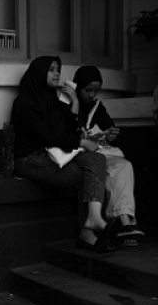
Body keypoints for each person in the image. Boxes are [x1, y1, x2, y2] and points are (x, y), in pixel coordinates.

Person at [11, 56, 122, 253]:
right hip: (31, 159)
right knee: (86, 178)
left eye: (58, 70)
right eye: (52, 69)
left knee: (97, 159)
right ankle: (88, 232)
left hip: (56, 154)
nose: (57, 73)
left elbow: (67, 132)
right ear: (39, 72)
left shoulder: (53, 101)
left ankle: (93, 218)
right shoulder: (24, 105)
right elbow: (47, 137)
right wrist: (82, 142)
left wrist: (74, 102)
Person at [73, 65, 144, 247]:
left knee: (124, 165)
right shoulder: (67, 102)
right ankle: (119, 223)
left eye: (95, 91)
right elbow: (66, 132)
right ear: (77, 86)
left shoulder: (97, 106)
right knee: (108, 168)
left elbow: (108, 128)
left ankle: (125, 221)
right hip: (78, 153)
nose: (91, 95)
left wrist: (110, 134)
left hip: (98, 150)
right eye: (88, 90)